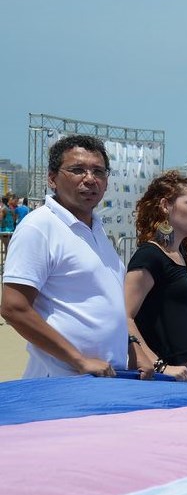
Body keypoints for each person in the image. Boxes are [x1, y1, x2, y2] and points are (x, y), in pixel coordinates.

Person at [1, 135, 127, 378]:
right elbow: (14, 308)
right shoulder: (39, 227)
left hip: (107, 378)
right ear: (52, 178)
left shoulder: (97, 229)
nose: (90, 179)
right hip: (63, 381)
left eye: (98, 171)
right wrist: (78, 360)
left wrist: (133, 348)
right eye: (77, 170)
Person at [125, 172, 187, 381]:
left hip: (185, 375)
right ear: (165, 205)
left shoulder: (178, 256)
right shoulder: (150, 256)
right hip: (162, 382)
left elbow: (175, 320)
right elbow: (124, 316)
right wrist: (158, 365)